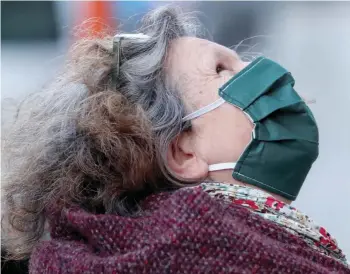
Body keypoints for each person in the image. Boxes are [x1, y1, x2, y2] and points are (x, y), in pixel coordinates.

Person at [2, 5, 349, 274]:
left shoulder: (219, 244)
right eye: (221, 69)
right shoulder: (208, 253)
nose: (258, 70)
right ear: (183, 151)